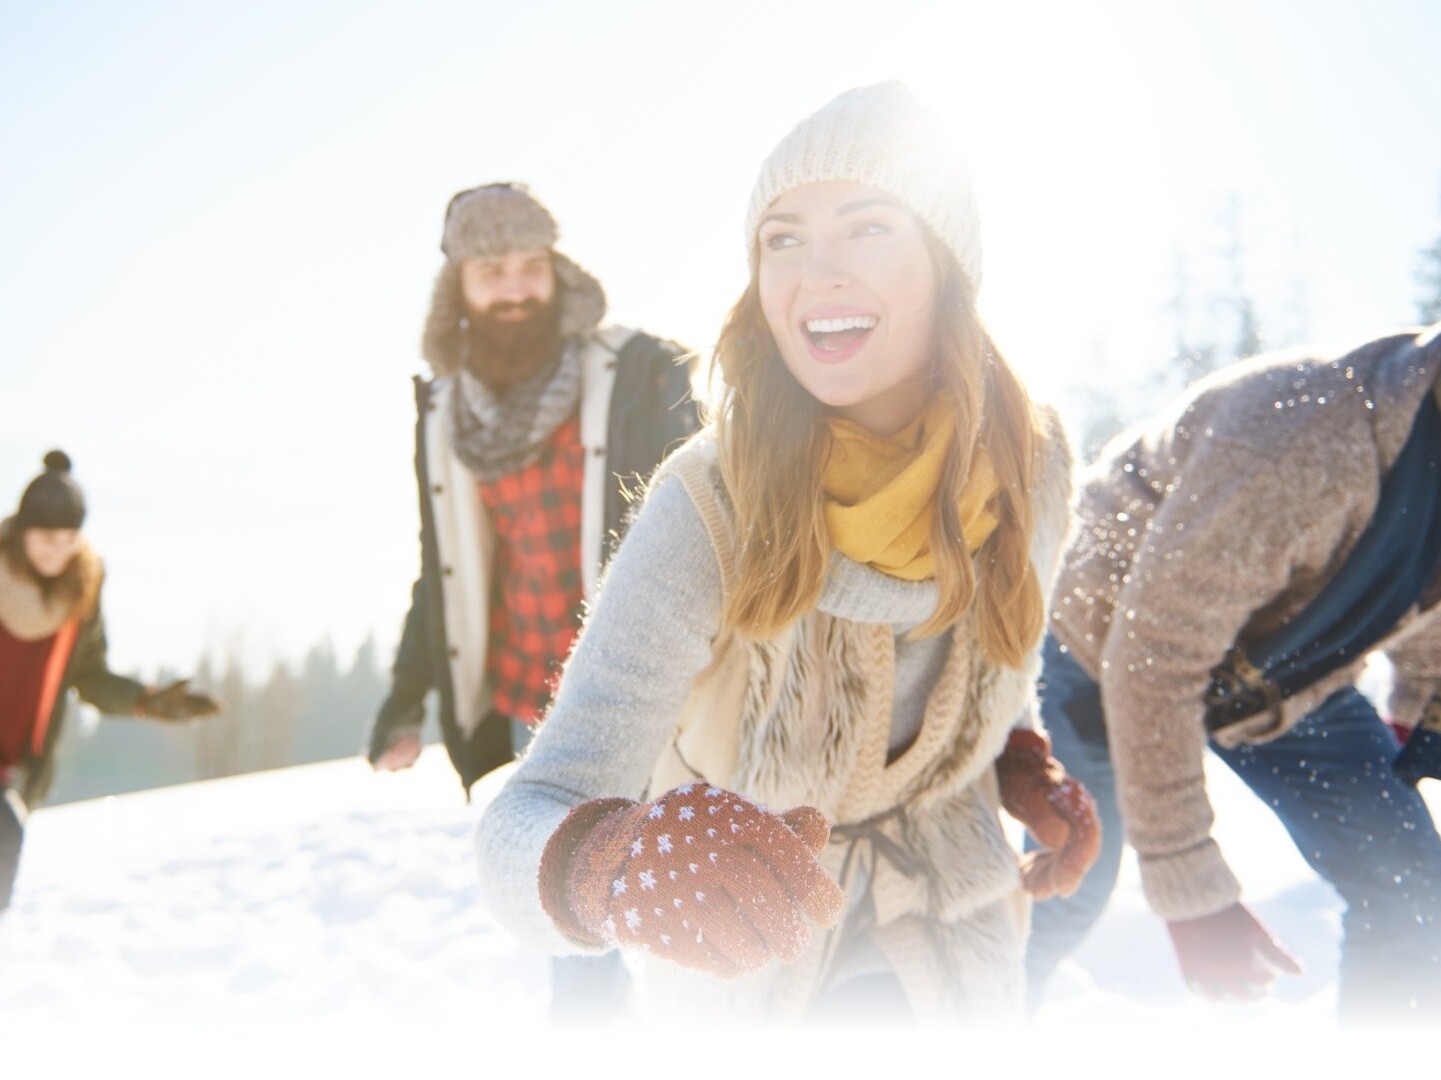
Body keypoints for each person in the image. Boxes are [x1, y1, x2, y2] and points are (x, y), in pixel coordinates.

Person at [474, 82, 1100, 1026]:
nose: (815, 275)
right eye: (783, 239)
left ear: (945, 261)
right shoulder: (711, 501)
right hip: (754, 970)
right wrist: (613, 861)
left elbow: (982, 673)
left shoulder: (1032, 462)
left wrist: (1010, 759)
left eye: (867, 228)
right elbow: (527, 812)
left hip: (956, 958)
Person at [1026, 324, 1441, 1024]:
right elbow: (1151, 659)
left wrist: (1423, 709)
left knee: (1411, 890)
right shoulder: (1301, 440)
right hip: (1100, 652)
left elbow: (1418, 587)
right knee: (1067, 891)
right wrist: (1192, 893)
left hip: (1278, 669)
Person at [365, 182, 699, 1017]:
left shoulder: (638, 371)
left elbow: (716, 520)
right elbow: (440, 566)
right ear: (458, 288)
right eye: (490, 271)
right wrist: (408, 695)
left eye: (527, 266)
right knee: (578, 916)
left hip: (657, 691)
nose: (512, 288)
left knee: (693, 915)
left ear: (554, 269)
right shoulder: (443, 412)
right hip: (535, 709)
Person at [0, 450, 220, 911]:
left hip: (16, 769)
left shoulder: (79, 591)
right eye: (46, 538)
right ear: (22, 532)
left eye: (68, 539)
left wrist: (147, 701)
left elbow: (88, 676)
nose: (57, 551)